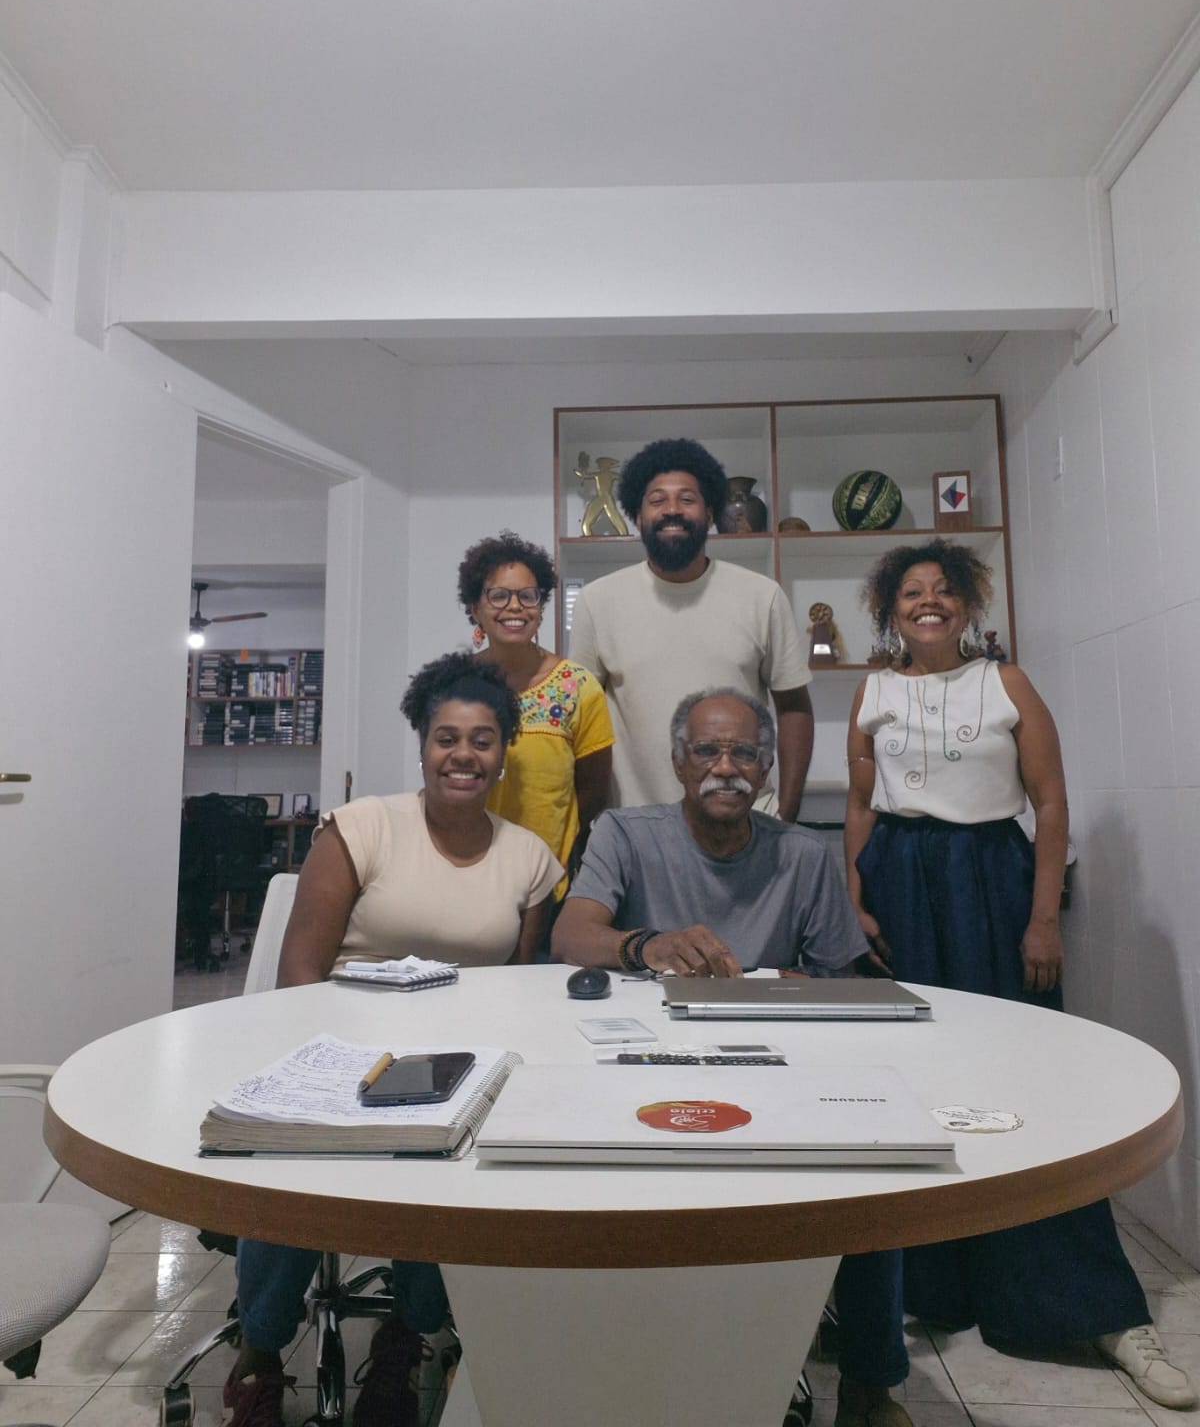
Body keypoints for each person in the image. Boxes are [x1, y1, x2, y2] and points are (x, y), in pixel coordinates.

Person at [845, 539, 1197, 1412]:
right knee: (915, 1082)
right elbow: (860, 802)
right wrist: (856, 898)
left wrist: (1042, 916)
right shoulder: (873, 691)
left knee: (1026, 1083)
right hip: (902, 882)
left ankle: (1091, 1307)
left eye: (944, 591)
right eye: (911, 593)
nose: (928, 603)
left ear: (969, 605)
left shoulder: (1007, 683)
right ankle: (930, 1288)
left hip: (990, 885)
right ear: (890, 611)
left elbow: (1050, 801)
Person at [553, 687, 914, 1427]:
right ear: (679, 763)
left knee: (872, 1173)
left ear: (767, 767)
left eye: (744, 752)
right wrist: (647, 945)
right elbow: (571, 935)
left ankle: (869, 1389)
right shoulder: (625, 833)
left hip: (774, 1068)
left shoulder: (803, 855)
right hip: (646, 1066)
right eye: (708, 751)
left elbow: (844, 979)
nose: (726, 767)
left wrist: (808, 986)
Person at [224, 652, 562, 1427]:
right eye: (447, 738)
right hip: (342, 1051)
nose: (463, 755)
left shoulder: (529, 858)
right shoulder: (363, 827)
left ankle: (405, 1343)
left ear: (503, 752)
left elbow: (523, 993)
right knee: (290, 1155)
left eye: (482, 740)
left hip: (457, 1068)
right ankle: (261, 1352)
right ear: (422, 744)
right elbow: (300, 974)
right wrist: (328, 1076)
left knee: (459, 1163)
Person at [569, 436, 813, 818]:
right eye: (657, 500)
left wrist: (787, 812)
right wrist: (589, 822)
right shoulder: (597, 601)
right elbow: (582, 722)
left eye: (687, 499)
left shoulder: (761, 596)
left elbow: (794, 707)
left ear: (710, 515)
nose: (672, 510)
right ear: (638, 517)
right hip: (636, 825)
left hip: (745, 823)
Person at [457, 530, 613, 898]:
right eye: (498, 595)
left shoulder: (578, 686)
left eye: (528, 596)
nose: (515, 606)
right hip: (463, 871)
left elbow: (593, 790)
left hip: (548, 883)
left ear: (541, 608)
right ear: (475, 608)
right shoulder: (453, 683)